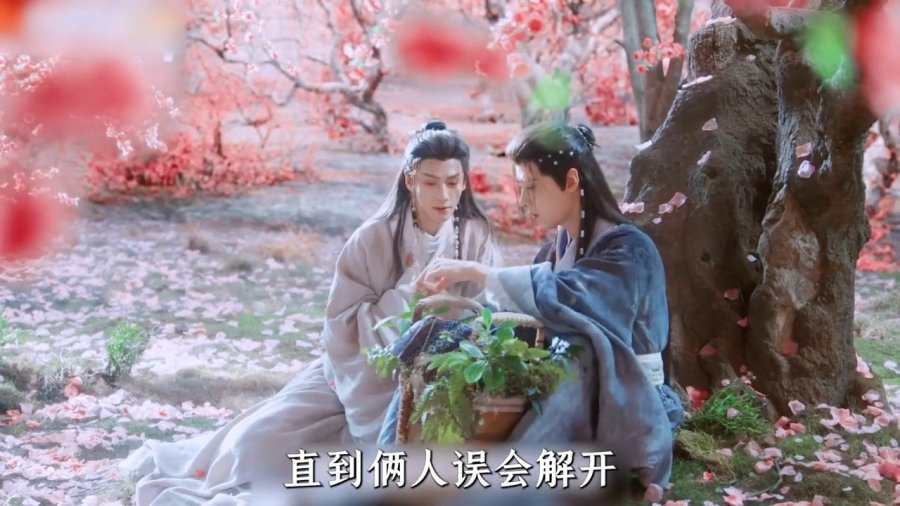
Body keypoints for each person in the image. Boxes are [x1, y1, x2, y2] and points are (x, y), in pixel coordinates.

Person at [121, 120, 502, 505]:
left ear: (464, 182)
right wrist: (408, 292)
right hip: (352, 376)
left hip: (435, 381)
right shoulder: (372, 238)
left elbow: (490, 313)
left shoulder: (476, 236)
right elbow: (340, 326)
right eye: (430, 182)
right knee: (255, 445)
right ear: (409, 180)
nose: (443, 194)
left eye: (452, 182)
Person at [404, 122, 683, 501]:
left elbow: (569, 297)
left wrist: (475, 271)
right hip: (567, 393)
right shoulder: (552, 253)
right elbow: (524, 317)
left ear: (571, 180)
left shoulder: (631, 250)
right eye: (520, 188)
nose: (522, 201)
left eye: (531, 187)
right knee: (441, 338)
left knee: (575, 354)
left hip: (628, 405)